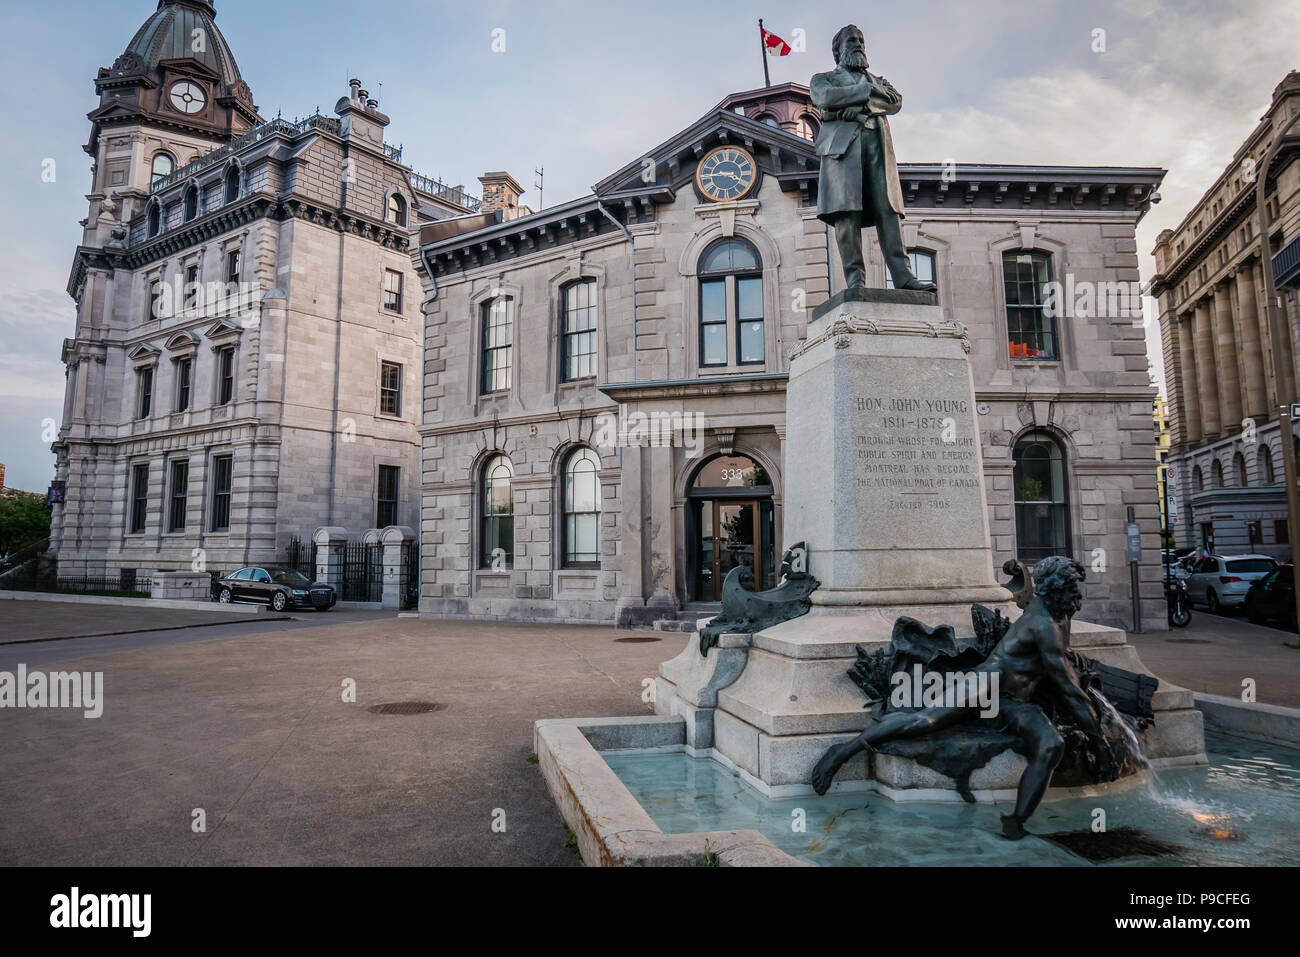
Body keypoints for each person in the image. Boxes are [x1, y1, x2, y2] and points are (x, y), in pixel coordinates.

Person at [809, 556, 1109, 839]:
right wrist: (1099, 742)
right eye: (1070, 586)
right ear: (1053, 589)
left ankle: (1015, 821)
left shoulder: (1058, 613)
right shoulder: (1044, 623)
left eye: (1075, 586)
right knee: (925, 720)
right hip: (987, 682)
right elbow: (1069, 688)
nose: (1075, 592)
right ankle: (843, 751)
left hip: (1016, 702)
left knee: (1051, 745)